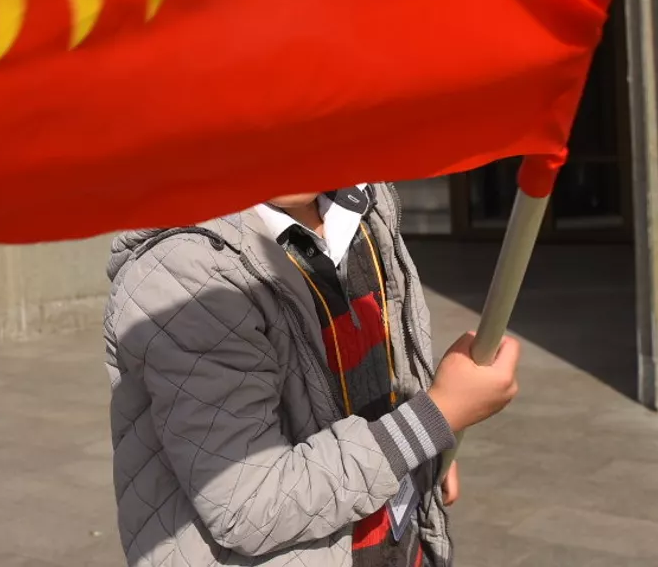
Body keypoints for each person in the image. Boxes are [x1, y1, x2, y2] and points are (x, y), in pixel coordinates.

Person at [104, 184, 522, 567]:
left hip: (391, 540)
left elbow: (378, 373)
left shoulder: (364, 205)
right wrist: (434, 417)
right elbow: (250, 504)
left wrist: (421, 447)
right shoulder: (188, 272)